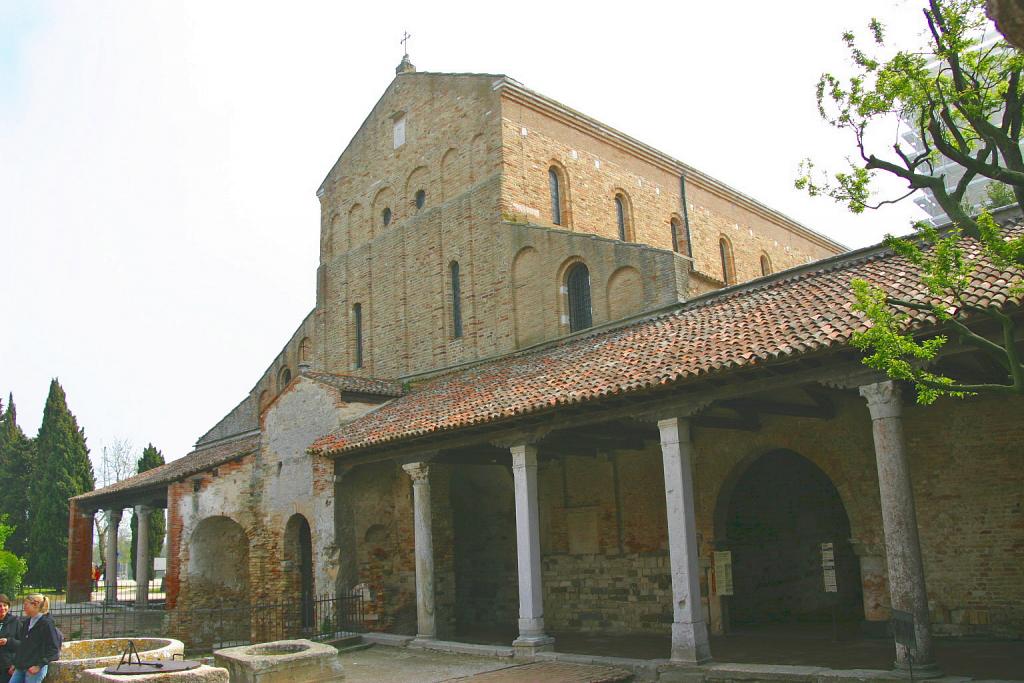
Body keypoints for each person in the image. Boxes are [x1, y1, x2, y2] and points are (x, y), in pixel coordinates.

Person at [10, 595, 59, 683]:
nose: (24, 607)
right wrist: (16, 663)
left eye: (26, 604)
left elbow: (54, 648)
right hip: (21, 666)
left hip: (35, 668)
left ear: (35, 604)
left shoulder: (46, 623)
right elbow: (23, 645)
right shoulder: (27, 622)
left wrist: (39, 666)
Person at [0, 594, 21, 683]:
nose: (2, 608)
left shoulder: (15, 621)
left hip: (7, 667)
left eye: (5, 605)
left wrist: (8, 642)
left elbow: (23, 644)